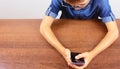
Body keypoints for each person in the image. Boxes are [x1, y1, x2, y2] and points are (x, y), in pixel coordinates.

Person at [40, 0, 119, 69]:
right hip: (66, 33)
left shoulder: (101, 1)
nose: (76, 8)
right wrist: (62, 50)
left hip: (91, 34)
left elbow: (114, 32)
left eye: (82, 4)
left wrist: (92, 54)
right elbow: (44, 27)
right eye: (70, 5)